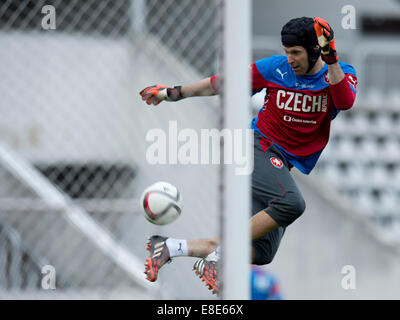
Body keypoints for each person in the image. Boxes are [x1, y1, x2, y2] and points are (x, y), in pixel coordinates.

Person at [140, 17, 357, 294]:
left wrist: (332, 59)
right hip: (255, 147)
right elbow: (223, 83)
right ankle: (216, 261)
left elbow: (345, 102)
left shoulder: (338, 73)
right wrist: (175, 92)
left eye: (296, 52)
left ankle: (169, 247)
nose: (289, 59)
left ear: (316, 50)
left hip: (280, 162)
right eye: (287, 51)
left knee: (261, 251)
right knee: (292, 203)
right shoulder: (274, 68)